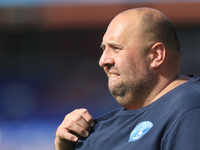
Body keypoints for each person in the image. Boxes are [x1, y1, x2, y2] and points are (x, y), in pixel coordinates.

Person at [55, 7, 200, 150]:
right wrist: (65, 147)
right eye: (103, 49)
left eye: (116, 48)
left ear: (156, 55)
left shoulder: (189, 110)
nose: (102, 60)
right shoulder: (96, 130)